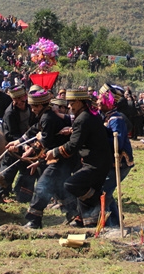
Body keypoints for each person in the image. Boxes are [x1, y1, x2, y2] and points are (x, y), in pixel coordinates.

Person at [47, 88, 111, 227]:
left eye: (71, 103)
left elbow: (73, 146)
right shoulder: (88, 116)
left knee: (72, 184)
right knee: (85, 189)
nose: (69, 106)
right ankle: (86, 220)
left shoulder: (83, 118)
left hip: (96, 164)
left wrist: (55, 152)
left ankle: (106, 205)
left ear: (79, 102)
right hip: (97, 161)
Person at [23, 91, 76, 229]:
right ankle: (75, 215)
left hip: (58, 160)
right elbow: (36, 131)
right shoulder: (46, 116)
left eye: (34, 106)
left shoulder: (47, 118)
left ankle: (34, 220)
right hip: (59, 160)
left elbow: (46, 141)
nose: (32, 109)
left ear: (40, 105)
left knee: (42, 187)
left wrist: (40, 137)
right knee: (59, 188)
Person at [0, 85, 34, 204]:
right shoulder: (10, 113)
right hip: (12, 145)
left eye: (21, 99)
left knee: (27, 171)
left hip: (27, 144)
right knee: (7, 173)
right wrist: (22, 144)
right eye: (16, 100)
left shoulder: (30, 108)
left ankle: (22, 195)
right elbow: (11, 134)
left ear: (25, 97)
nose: (19, 102)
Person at [98, 84, 134, 228]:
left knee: (105, 191)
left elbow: (117, 141)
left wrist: (99, 138)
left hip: (120, 162)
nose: (98, 101)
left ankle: (112, 222)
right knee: (106, 191)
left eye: (101, 99)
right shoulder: (105, 116)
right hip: (111, 162)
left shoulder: (116, 119)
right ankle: (116, 220)